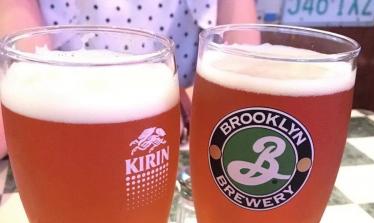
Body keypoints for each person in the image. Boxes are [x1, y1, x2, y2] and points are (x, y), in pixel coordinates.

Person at [0, 0, 257, 159]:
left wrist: (178, 104)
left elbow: (243, 78)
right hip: (63, 147)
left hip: (175, 144)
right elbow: (26, 78)